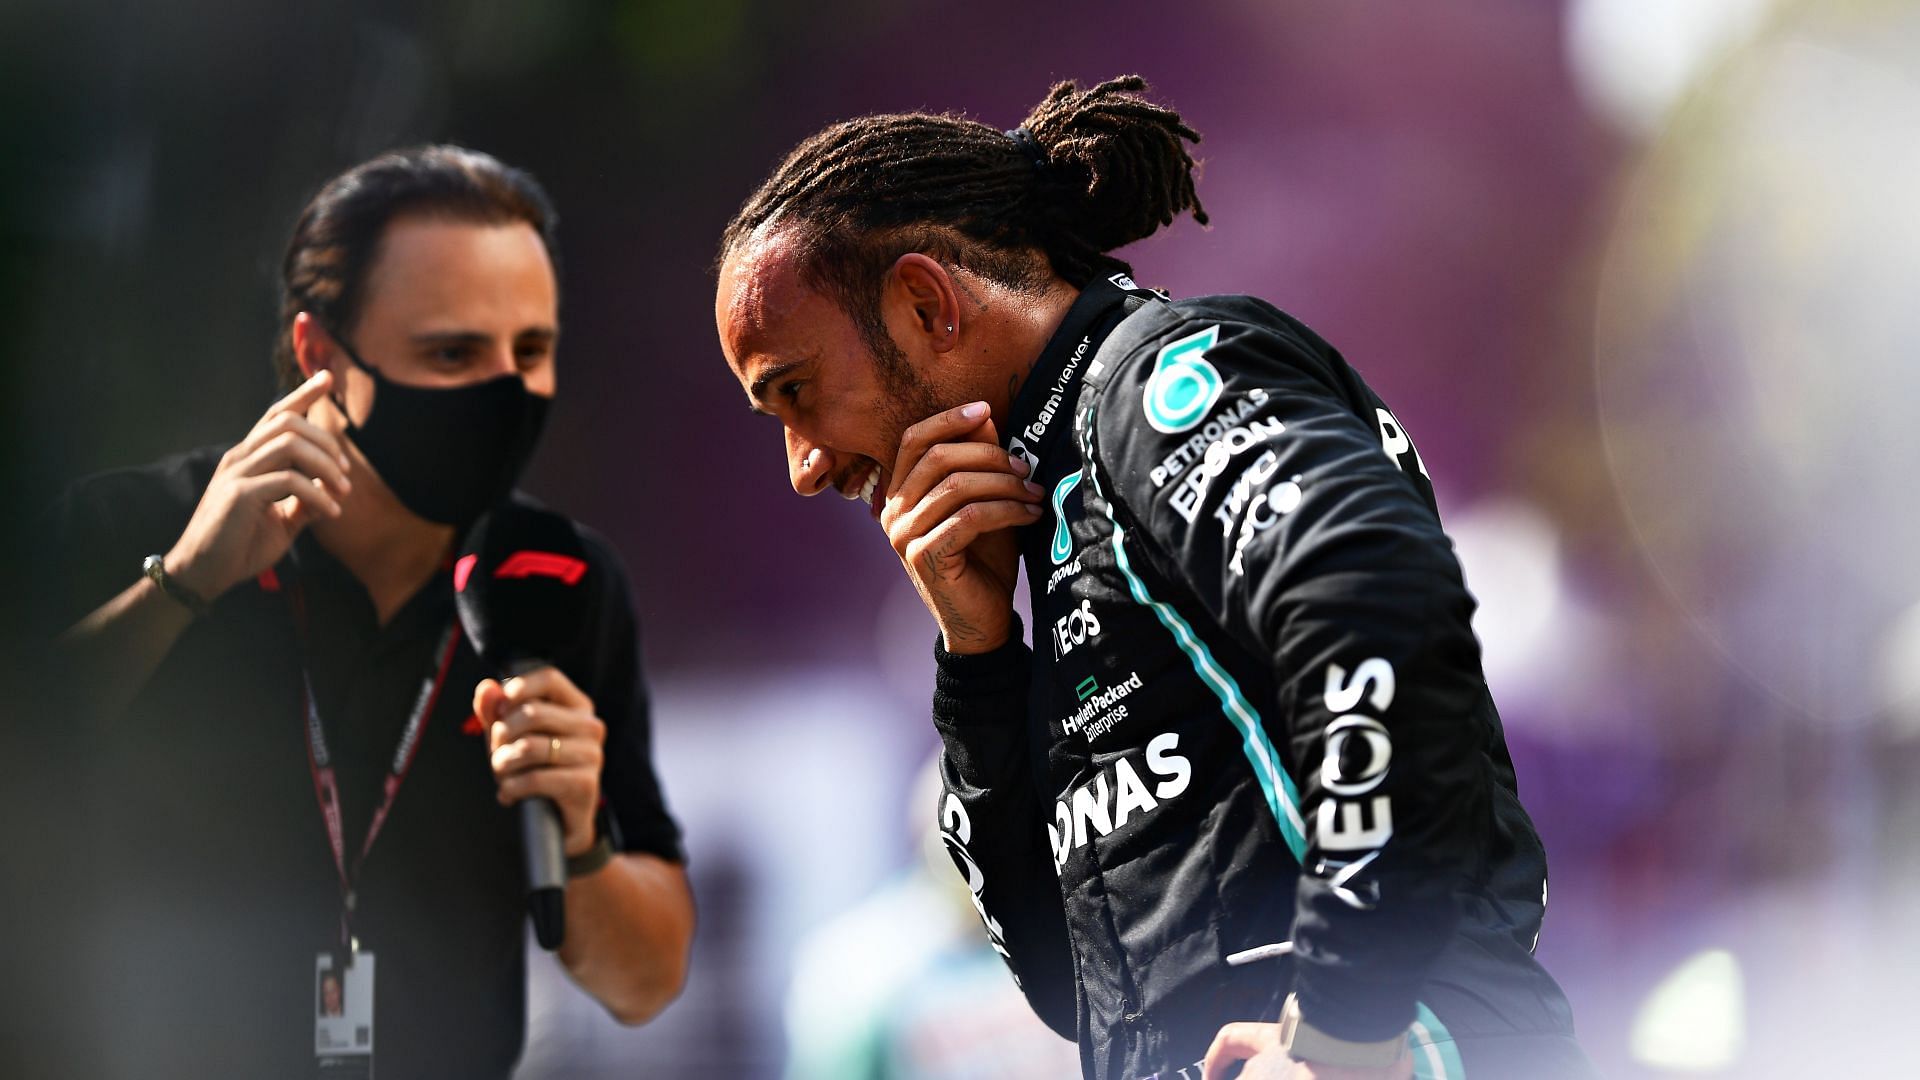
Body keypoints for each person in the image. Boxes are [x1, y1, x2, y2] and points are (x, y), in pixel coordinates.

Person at [714, 77, 1594, 1080]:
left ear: (925, 305)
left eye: (796, 393)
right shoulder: (1052, 506)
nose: (804, 465)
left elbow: (1376, 606)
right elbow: (1065, 991)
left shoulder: (1157, 386)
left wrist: (1348, 1022)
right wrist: (979, 656)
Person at [50, 145, 693, 1078]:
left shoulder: (557, 578)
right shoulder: (137, 528)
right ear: (320, 355)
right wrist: (185, 582)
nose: (505, 391)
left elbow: (647, 982)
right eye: (453, 352)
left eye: (533, 351)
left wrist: (583, 836)